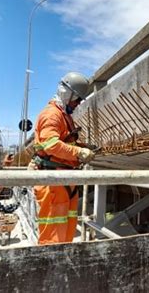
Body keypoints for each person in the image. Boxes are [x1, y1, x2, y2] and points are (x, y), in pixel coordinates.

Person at [30, 72, 95, 244]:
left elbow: (64, 143)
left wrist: (82, 147)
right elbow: (51, 145)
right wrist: (79, 153)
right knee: (53, 236)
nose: (78, 104)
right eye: (77, 99)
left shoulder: (64, 116)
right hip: (53, 183)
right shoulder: (52, 115)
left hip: (64, 182)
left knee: (65, 233)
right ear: (68, 94)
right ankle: (50, 267)